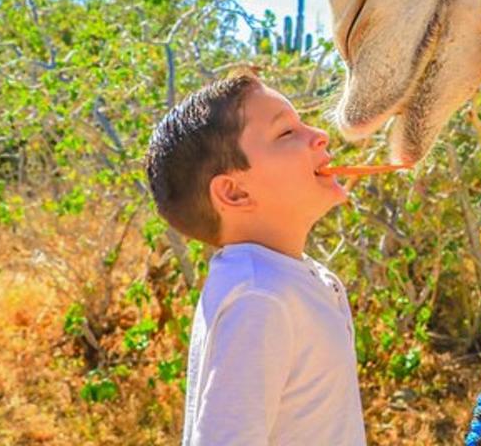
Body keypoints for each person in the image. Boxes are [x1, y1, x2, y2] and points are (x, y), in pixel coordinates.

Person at [145, 67, 367, 445]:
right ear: (234, 193)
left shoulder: (290, 279)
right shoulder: (258, 297)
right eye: (286, 133)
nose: (320, 135)